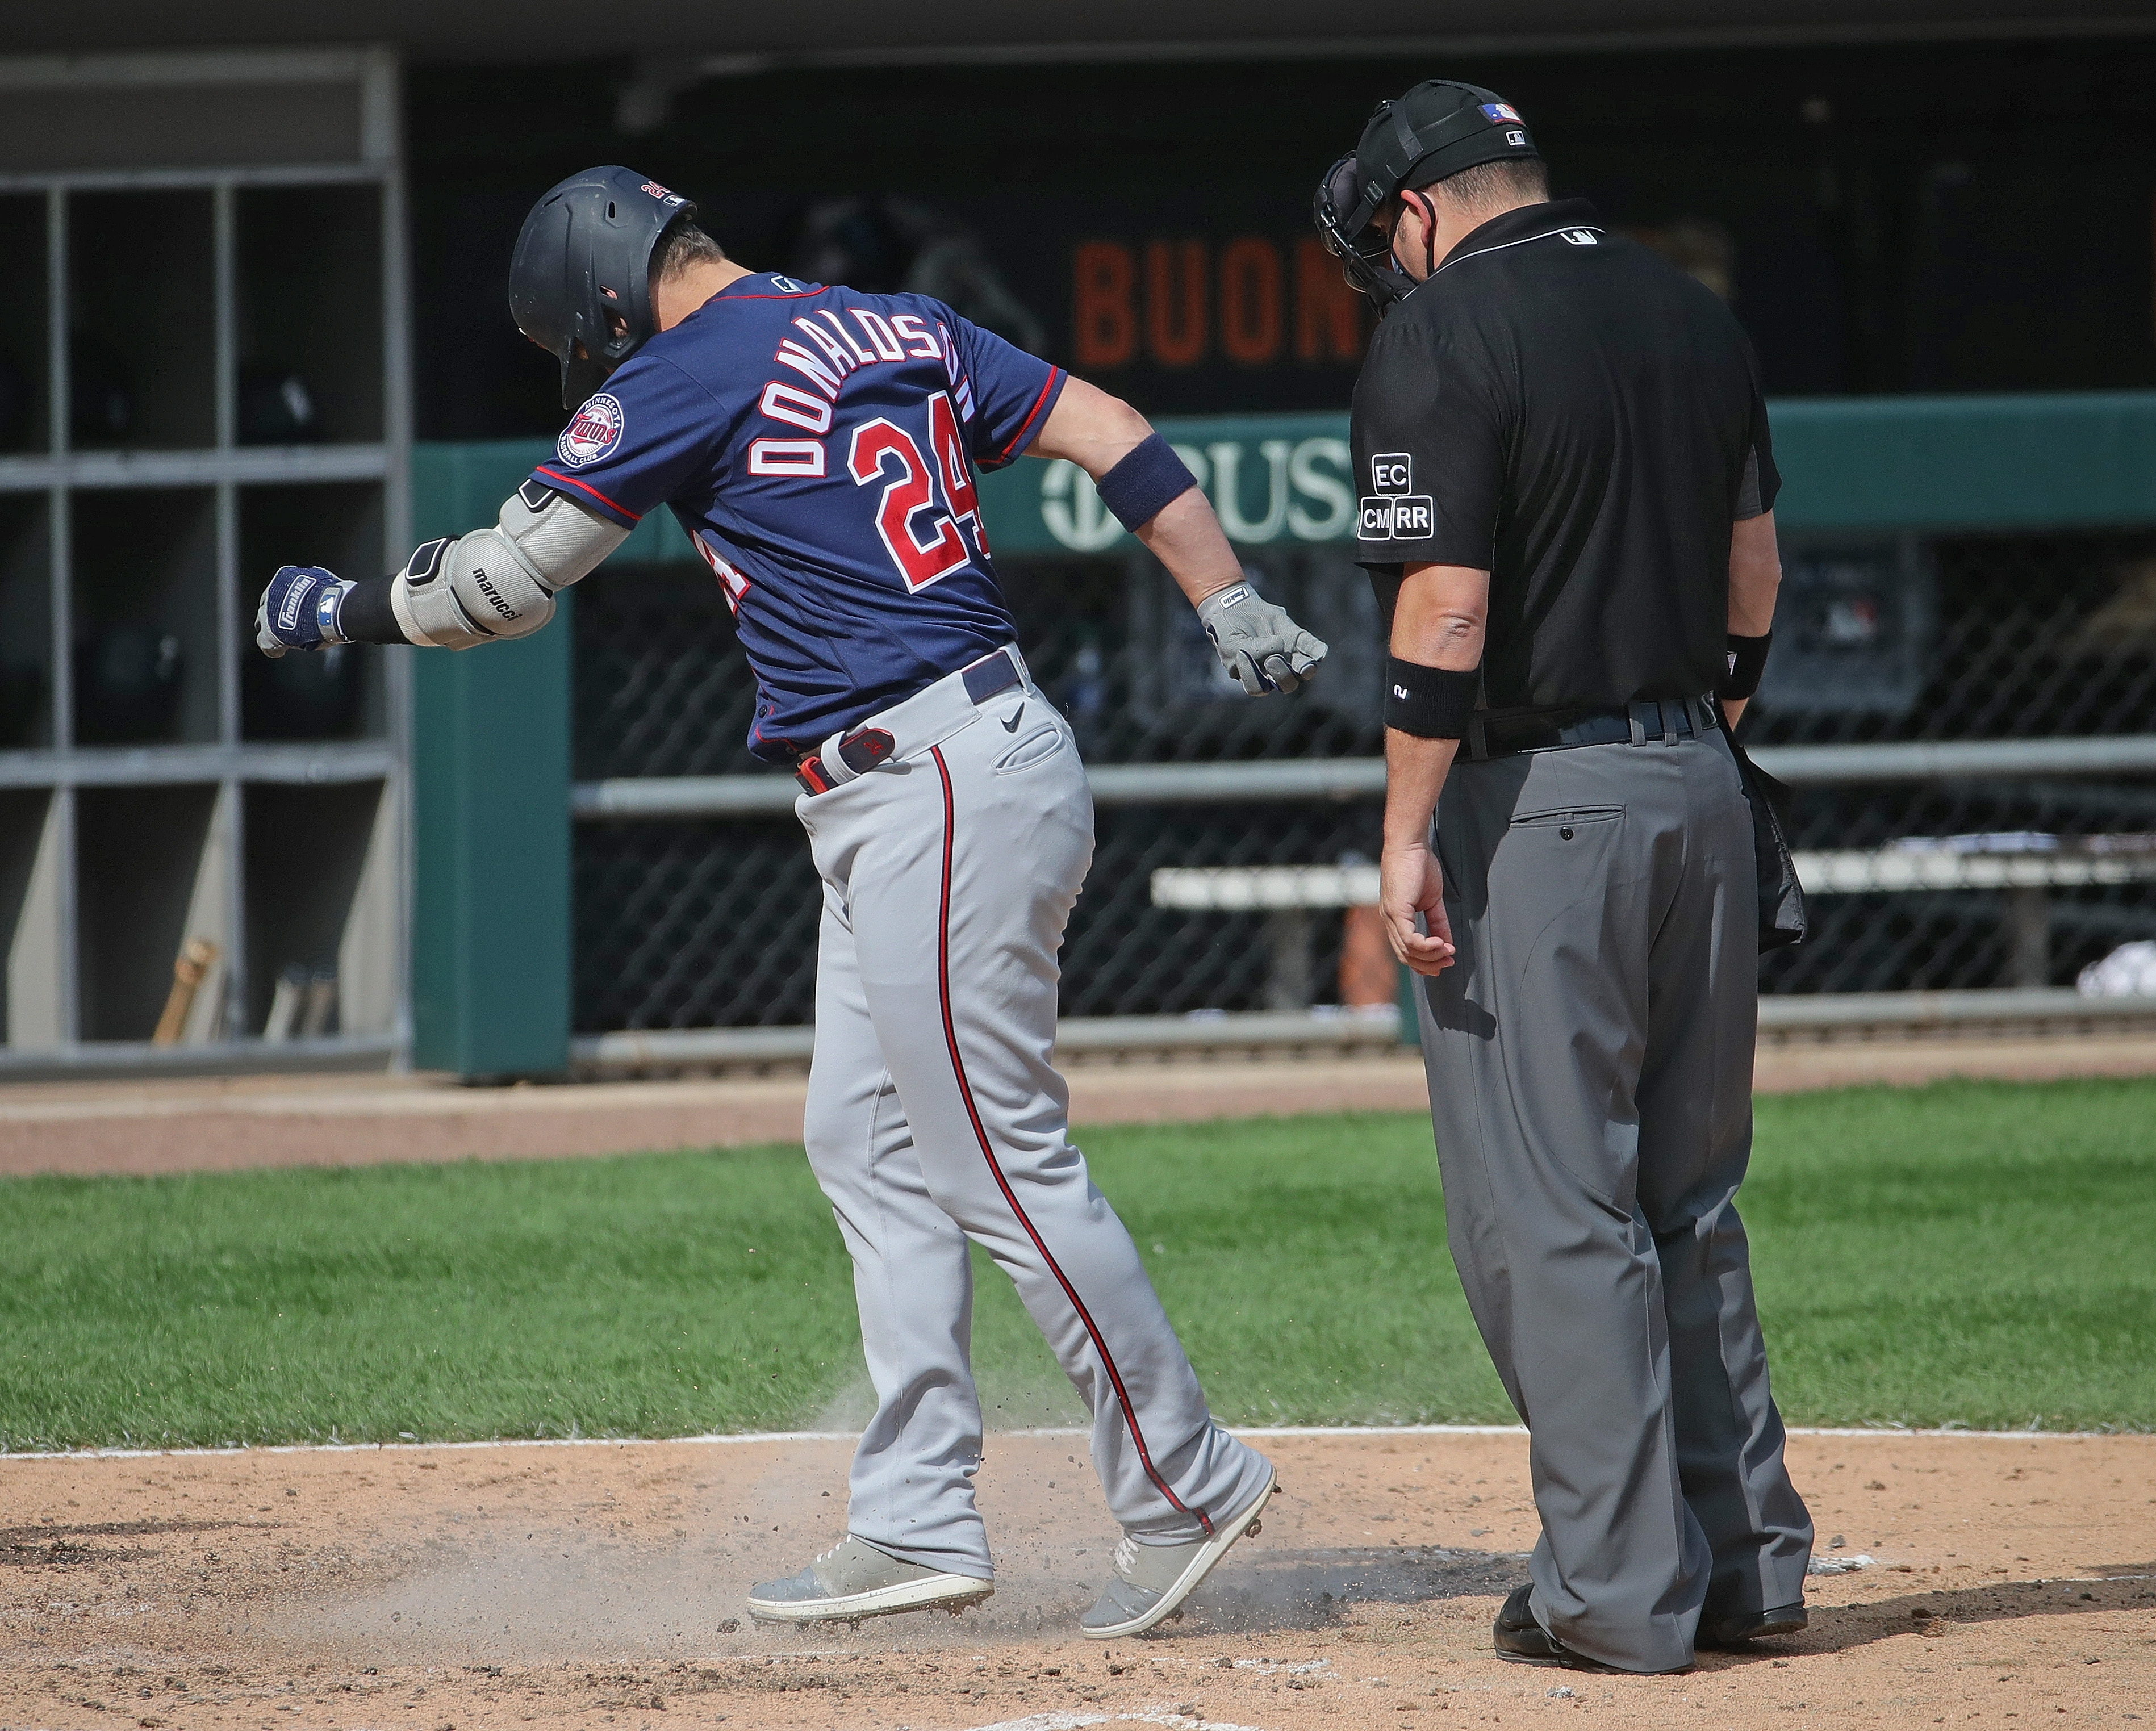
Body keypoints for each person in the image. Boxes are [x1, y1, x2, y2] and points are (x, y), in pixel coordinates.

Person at [257, 167, 1320, 1637]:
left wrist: (340, 609)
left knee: (998, 1164)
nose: (598, 362)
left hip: (932, 774)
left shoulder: (688, 366)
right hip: (944, 767)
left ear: (608, 296)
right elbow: (1115, 434)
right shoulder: (894, 321)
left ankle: (1181, 1479)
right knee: (864, 1140)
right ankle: (915, 1518)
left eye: (589, 337)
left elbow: (500, 585)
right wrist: (1223, 595)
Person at [1313, 85, 1814, 1673]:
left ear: (1416, 212)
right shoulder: (1688, 306)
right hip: (1696, 794)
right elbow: (1756, 573)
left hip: (1541, 808)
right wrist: (1701, 737)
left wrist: (1401, 832)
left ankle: (1613, 1598)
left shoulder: (1444, 328)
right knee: (1688, 1201)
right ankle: (1749, 1571)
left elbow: (1445, 613)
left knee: (1555, 1212)